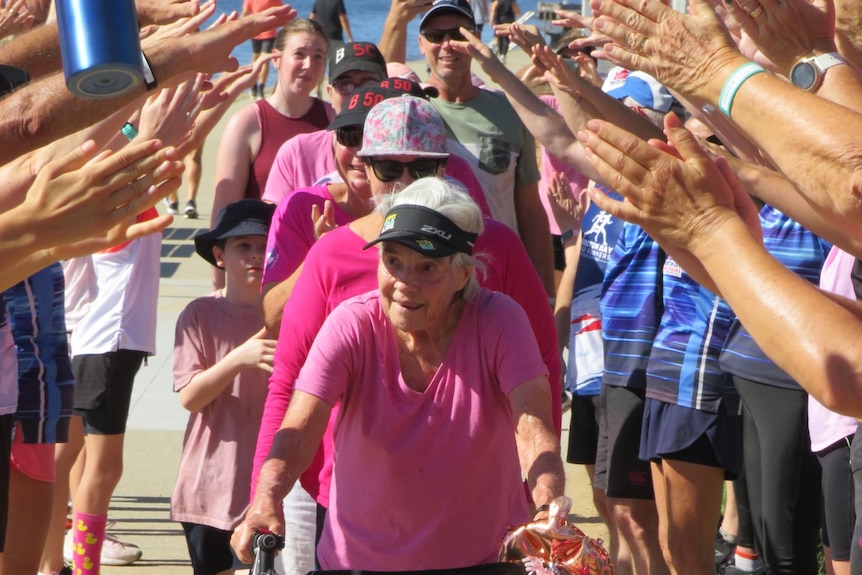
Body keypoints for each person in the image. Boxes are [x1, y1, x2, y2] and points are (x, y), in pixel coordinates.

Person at [249, 97, 562, 563]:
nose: (403, 183)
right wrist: (264, 493)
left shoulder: (497, 273)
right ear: (365, 165)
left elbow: (538, 395)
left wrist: (544, 499)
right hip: (357, 521)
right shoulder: (339, 276)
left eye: (423, 168)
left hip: (477, 538)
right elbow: (291, 398)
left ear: (465, 272)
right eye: (389, 167)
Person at [260, 79, 491, 332]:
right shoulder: (304, 206)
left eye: (420, 168)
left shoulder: (457, 190)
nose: (360, 151)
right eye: (350, 135)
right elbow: (273, 319)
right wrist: (323, 257)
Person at [417, 0, 556, 296]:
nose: (446, 44)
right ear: (420, 44)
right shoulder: (411, 111)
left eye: (458, 34)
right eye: (434, 36)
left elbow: (530, 211)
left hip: (499, 280)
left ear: (476, 37)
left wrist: (546, 294)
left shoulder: (510, 111)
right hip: (430, 283)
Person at [171, 199, 279, 575]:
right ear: (220, 255)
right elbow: (189, 396)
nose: (254, 255)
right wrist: (238, 357)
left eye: (264, 245)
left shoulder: (290, 314)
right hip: (210, 485)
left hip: (270, 485)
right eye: (242, 246)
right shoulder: (199, 314)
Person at [212, 17, 332, 287]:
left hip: (316, 270)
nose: (308, 65)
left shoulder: (334, 121)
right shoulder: (248, 122)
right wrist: (219, 286)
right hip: (259, 270)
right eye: (299, 54)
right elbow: (223, 214)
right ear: (276, 59)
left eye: (318, 57)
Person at [241, 0, 283, 99]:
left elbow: (281, 11)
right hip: (257, 33)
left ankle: (259, 89)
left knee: (263, 59)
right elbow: (245, 13)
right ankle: (254, 86)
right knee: (257, 58)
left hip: (268, 32)